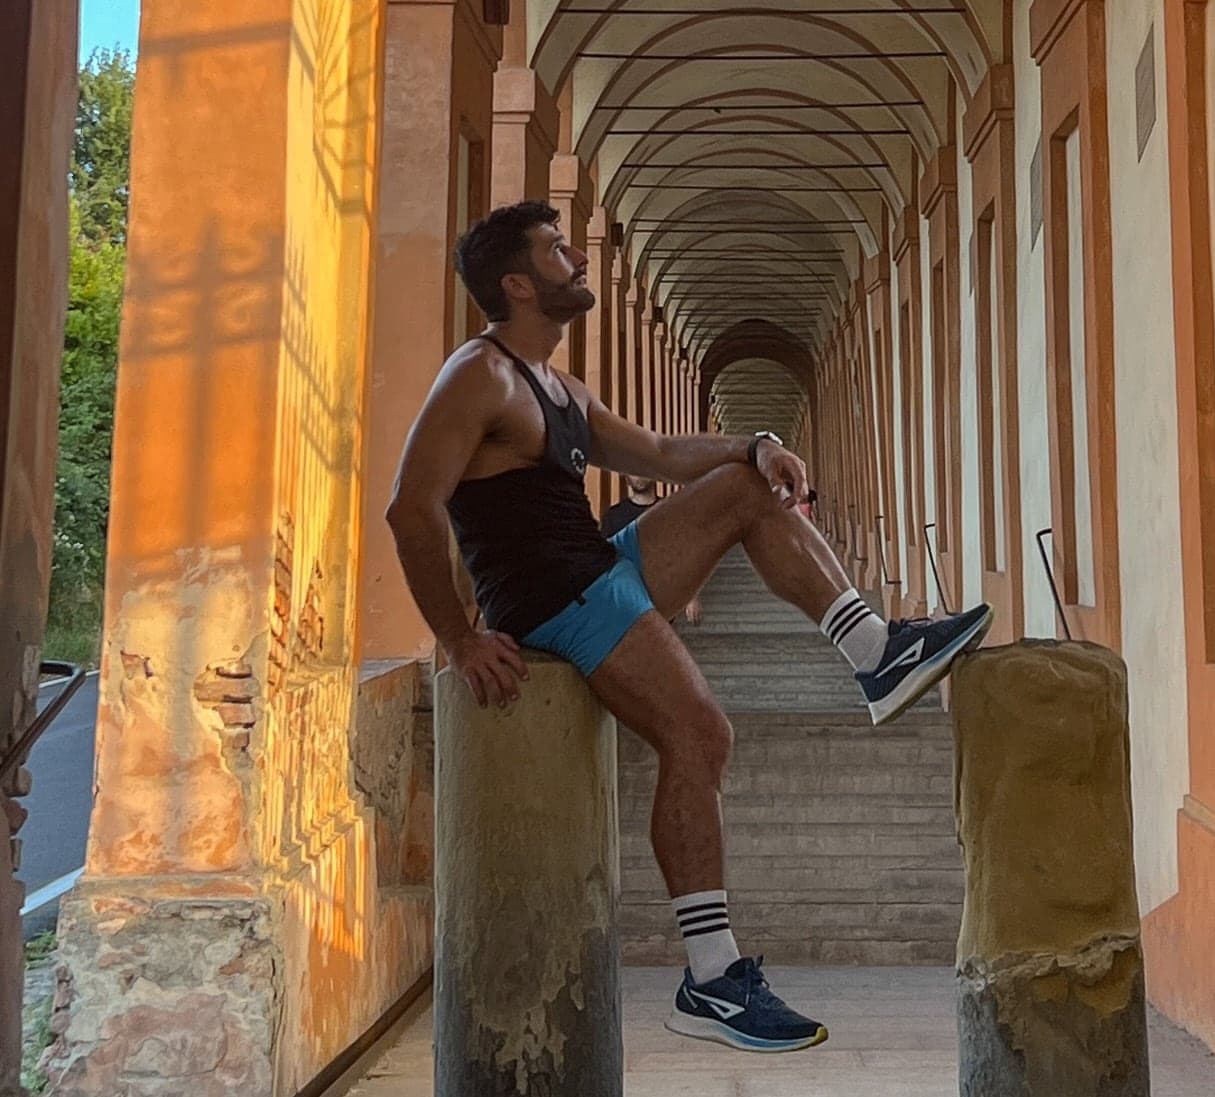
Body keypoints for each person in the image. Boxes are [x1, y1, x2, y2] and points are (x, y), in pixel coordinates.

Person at [386, 201, 993, 1054]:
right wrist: (456, 638)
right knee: (701, 732)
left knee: (748, 487)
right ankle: (711, 978)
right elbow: (410, 507)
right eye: (558, 251)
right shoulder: (476, 375)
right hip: (558, 597)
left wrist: (756, 442)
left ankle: (875, 653)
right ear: (519, 283)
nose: (575, 260)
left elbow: (662, 454)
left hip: (603, 565)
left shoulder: (555, 385)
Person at [601, 475, 701, 623]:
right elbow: (602, 560)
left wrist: (692, 596)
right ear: (626, 478)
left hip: (661, 600)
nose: (637, 475)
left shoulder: (669, 512)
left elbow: (683, 554)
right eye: (632, 470)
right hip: (624, 601)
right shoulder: (613, 517)